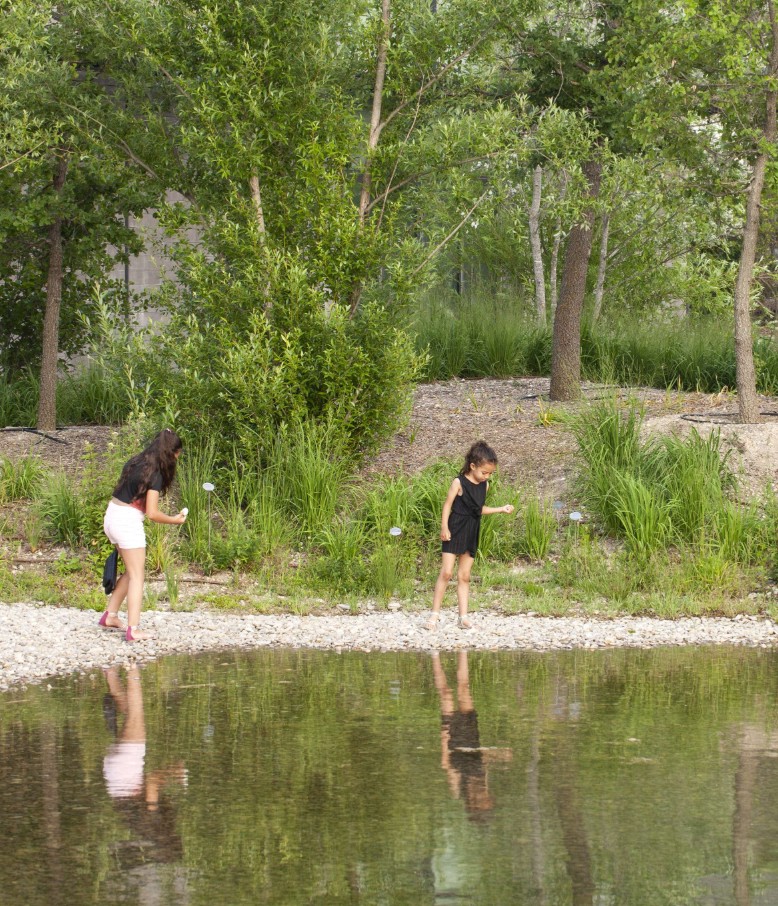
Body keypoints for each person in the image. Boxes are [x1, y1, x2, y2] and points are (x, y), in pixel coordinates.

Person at [100, 428, 186, 642]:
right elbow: (153, 513)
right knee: (138, 576)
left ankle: (110, 616)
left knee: (131, 572)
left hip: (112, 516)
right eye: (178, 453)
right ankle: (134, 629)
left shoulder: (136, 462)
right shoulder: (155, 474)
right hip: (127, 522)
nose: (178, 458)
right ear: (171, 452)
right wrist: (175, 520)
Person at [427, 440, 514, 630]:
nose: (487, 476)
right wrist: (444, 527)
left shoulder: (485, 486)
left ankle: (463, 617)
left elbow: (478, 509)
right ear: (472, 466)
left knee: (464, 575)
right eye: (484, 472)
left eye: (490, 473)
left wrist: (501, 509)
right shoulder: (458, 482)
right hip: (455, 527)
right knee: (447, 572)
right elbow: (447, 505)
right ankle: (434, 616)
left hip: (472, 529)